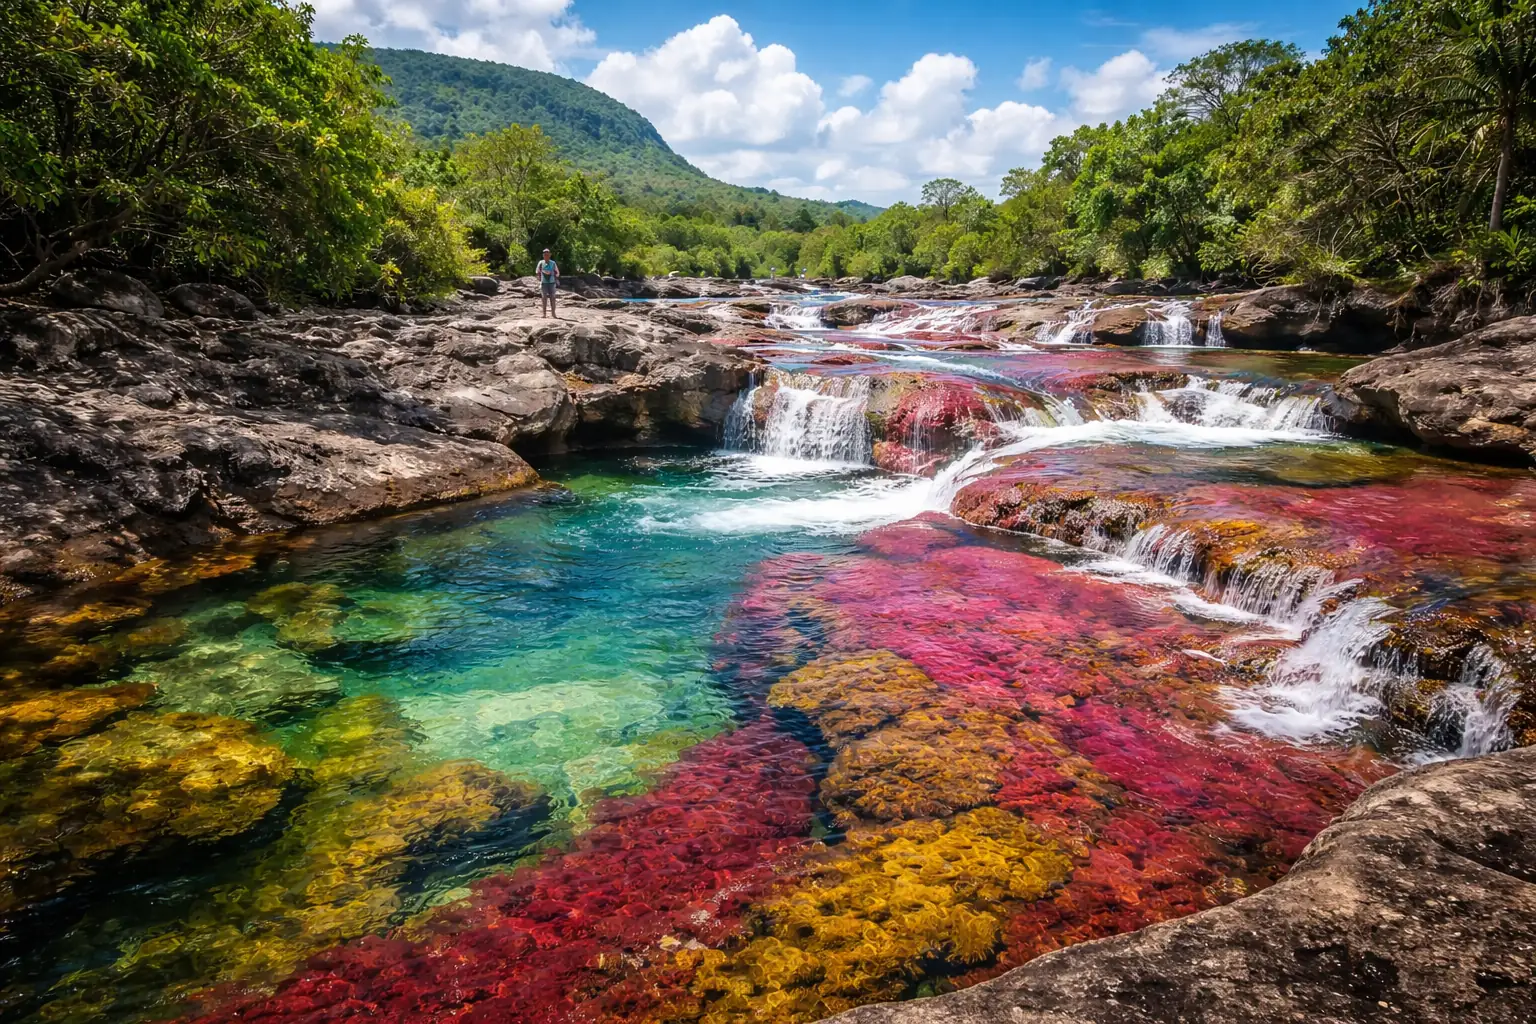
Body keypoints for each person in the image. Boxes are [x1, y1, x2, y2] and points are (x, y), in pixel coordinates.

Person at [536, 248, 560, 318]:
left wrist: (554, 277)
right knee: (544, 298)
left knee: (553, 298)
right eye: (545, 254)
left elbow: (557, 273)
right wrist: (539, 280)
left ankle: (553, 314)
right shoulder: (541, 263)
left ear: (550, 255)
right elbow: (537, 272)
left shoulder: (553, 263)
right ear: (543, 255)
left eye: (547, 254)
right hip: (544, 283)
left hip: (552, 283)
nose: (546, 256)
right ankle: (544, 314)